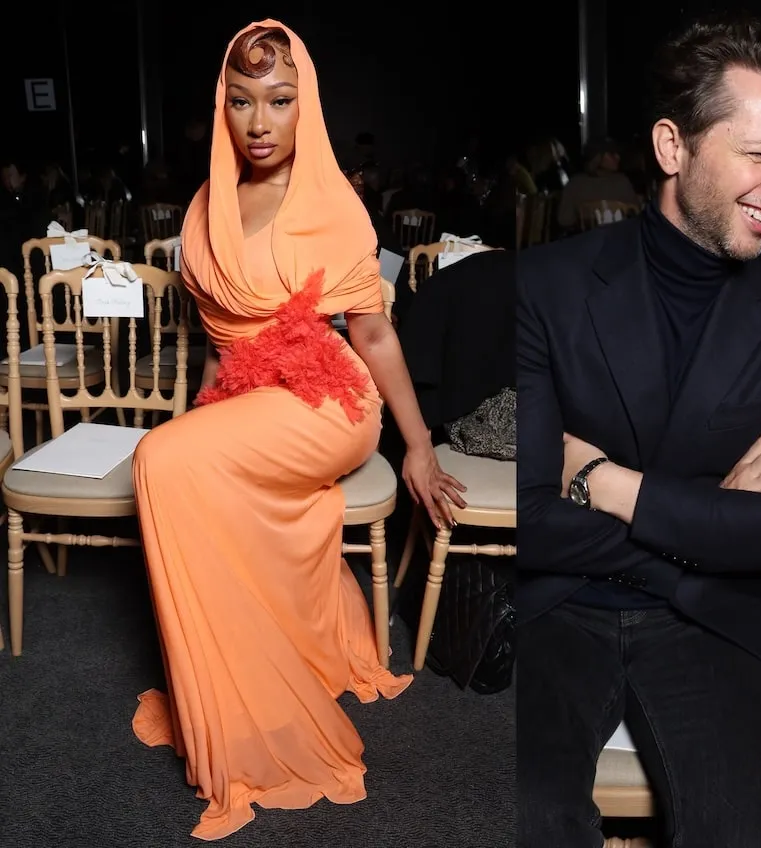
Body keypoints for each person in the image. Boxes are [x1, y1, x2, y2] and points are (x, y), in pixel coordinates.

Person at [131, 20, 465, 839]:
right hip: (248, 394)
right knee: (172, 465)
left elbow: (375, 335)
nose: (259, 120)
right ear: (224, 109)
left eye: (279, 100)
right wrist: (200, 430)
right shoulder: (206, 208)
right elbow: (219, 351)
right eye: (242, 101)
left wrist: (417, 444)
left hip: (329, 398)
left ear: (303, 106)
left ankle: (255, 712)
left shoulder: (333, 202)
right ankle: (238, 690)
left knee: (161, 461)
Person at [517, 16, 761, 848]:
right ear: (672, 146)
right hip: (555, 615)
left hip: (723, 625)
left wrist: (606, 483)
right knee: (524, 818)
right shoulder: (548, 287)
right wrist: (707, 515)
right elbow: (529, 518)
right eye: (760, 155)